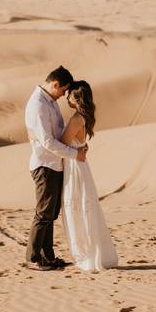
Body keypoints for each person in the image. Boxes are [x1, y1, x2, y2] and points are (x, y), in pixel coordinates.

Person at [24, 66, 88, 271]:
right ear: (55, 84)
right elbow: (48, 142)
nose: (63, 95)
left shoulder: (49, 102)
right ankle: (33, 258)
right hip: (45, 165)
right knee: (43, 213)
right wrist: (74, 154)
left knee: (51, 213)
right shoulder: (38, 105)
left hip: (55, 164)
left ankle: (48, 256)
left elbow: (58, 133)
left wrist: (77, 143)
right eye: (62, 90)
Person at [60, 80, 119, 270]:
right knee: (84, 209)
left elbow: (61, 143)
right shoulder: (83, 117)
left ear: (75, 98)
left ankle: (87, 256)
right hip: (79, 164)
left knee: (78, 209)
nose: (66, 96)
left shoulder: (76, 118)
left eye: (69, 94)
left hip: (75, 167)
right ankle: (91, 254)